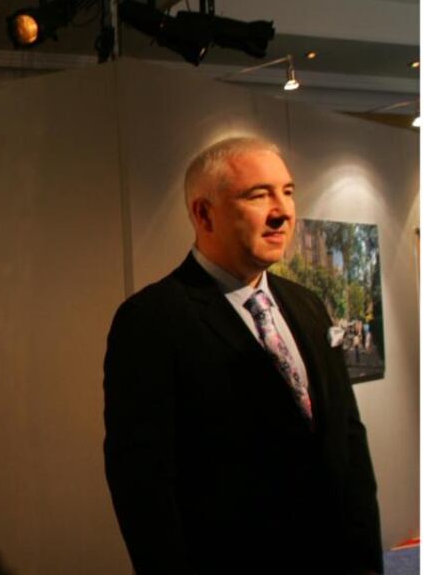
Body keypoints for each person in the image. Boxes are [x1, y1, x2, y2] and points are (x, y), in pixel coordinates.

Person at [103, 137, 382, 574]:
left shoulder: (307, 304)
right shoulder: (152, 321)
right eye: (259, 195)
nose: (283, 210)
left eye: (287, 191)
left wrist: (366, 559)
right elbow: (143, 486)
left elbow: (347, 436)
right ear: (203, 213)